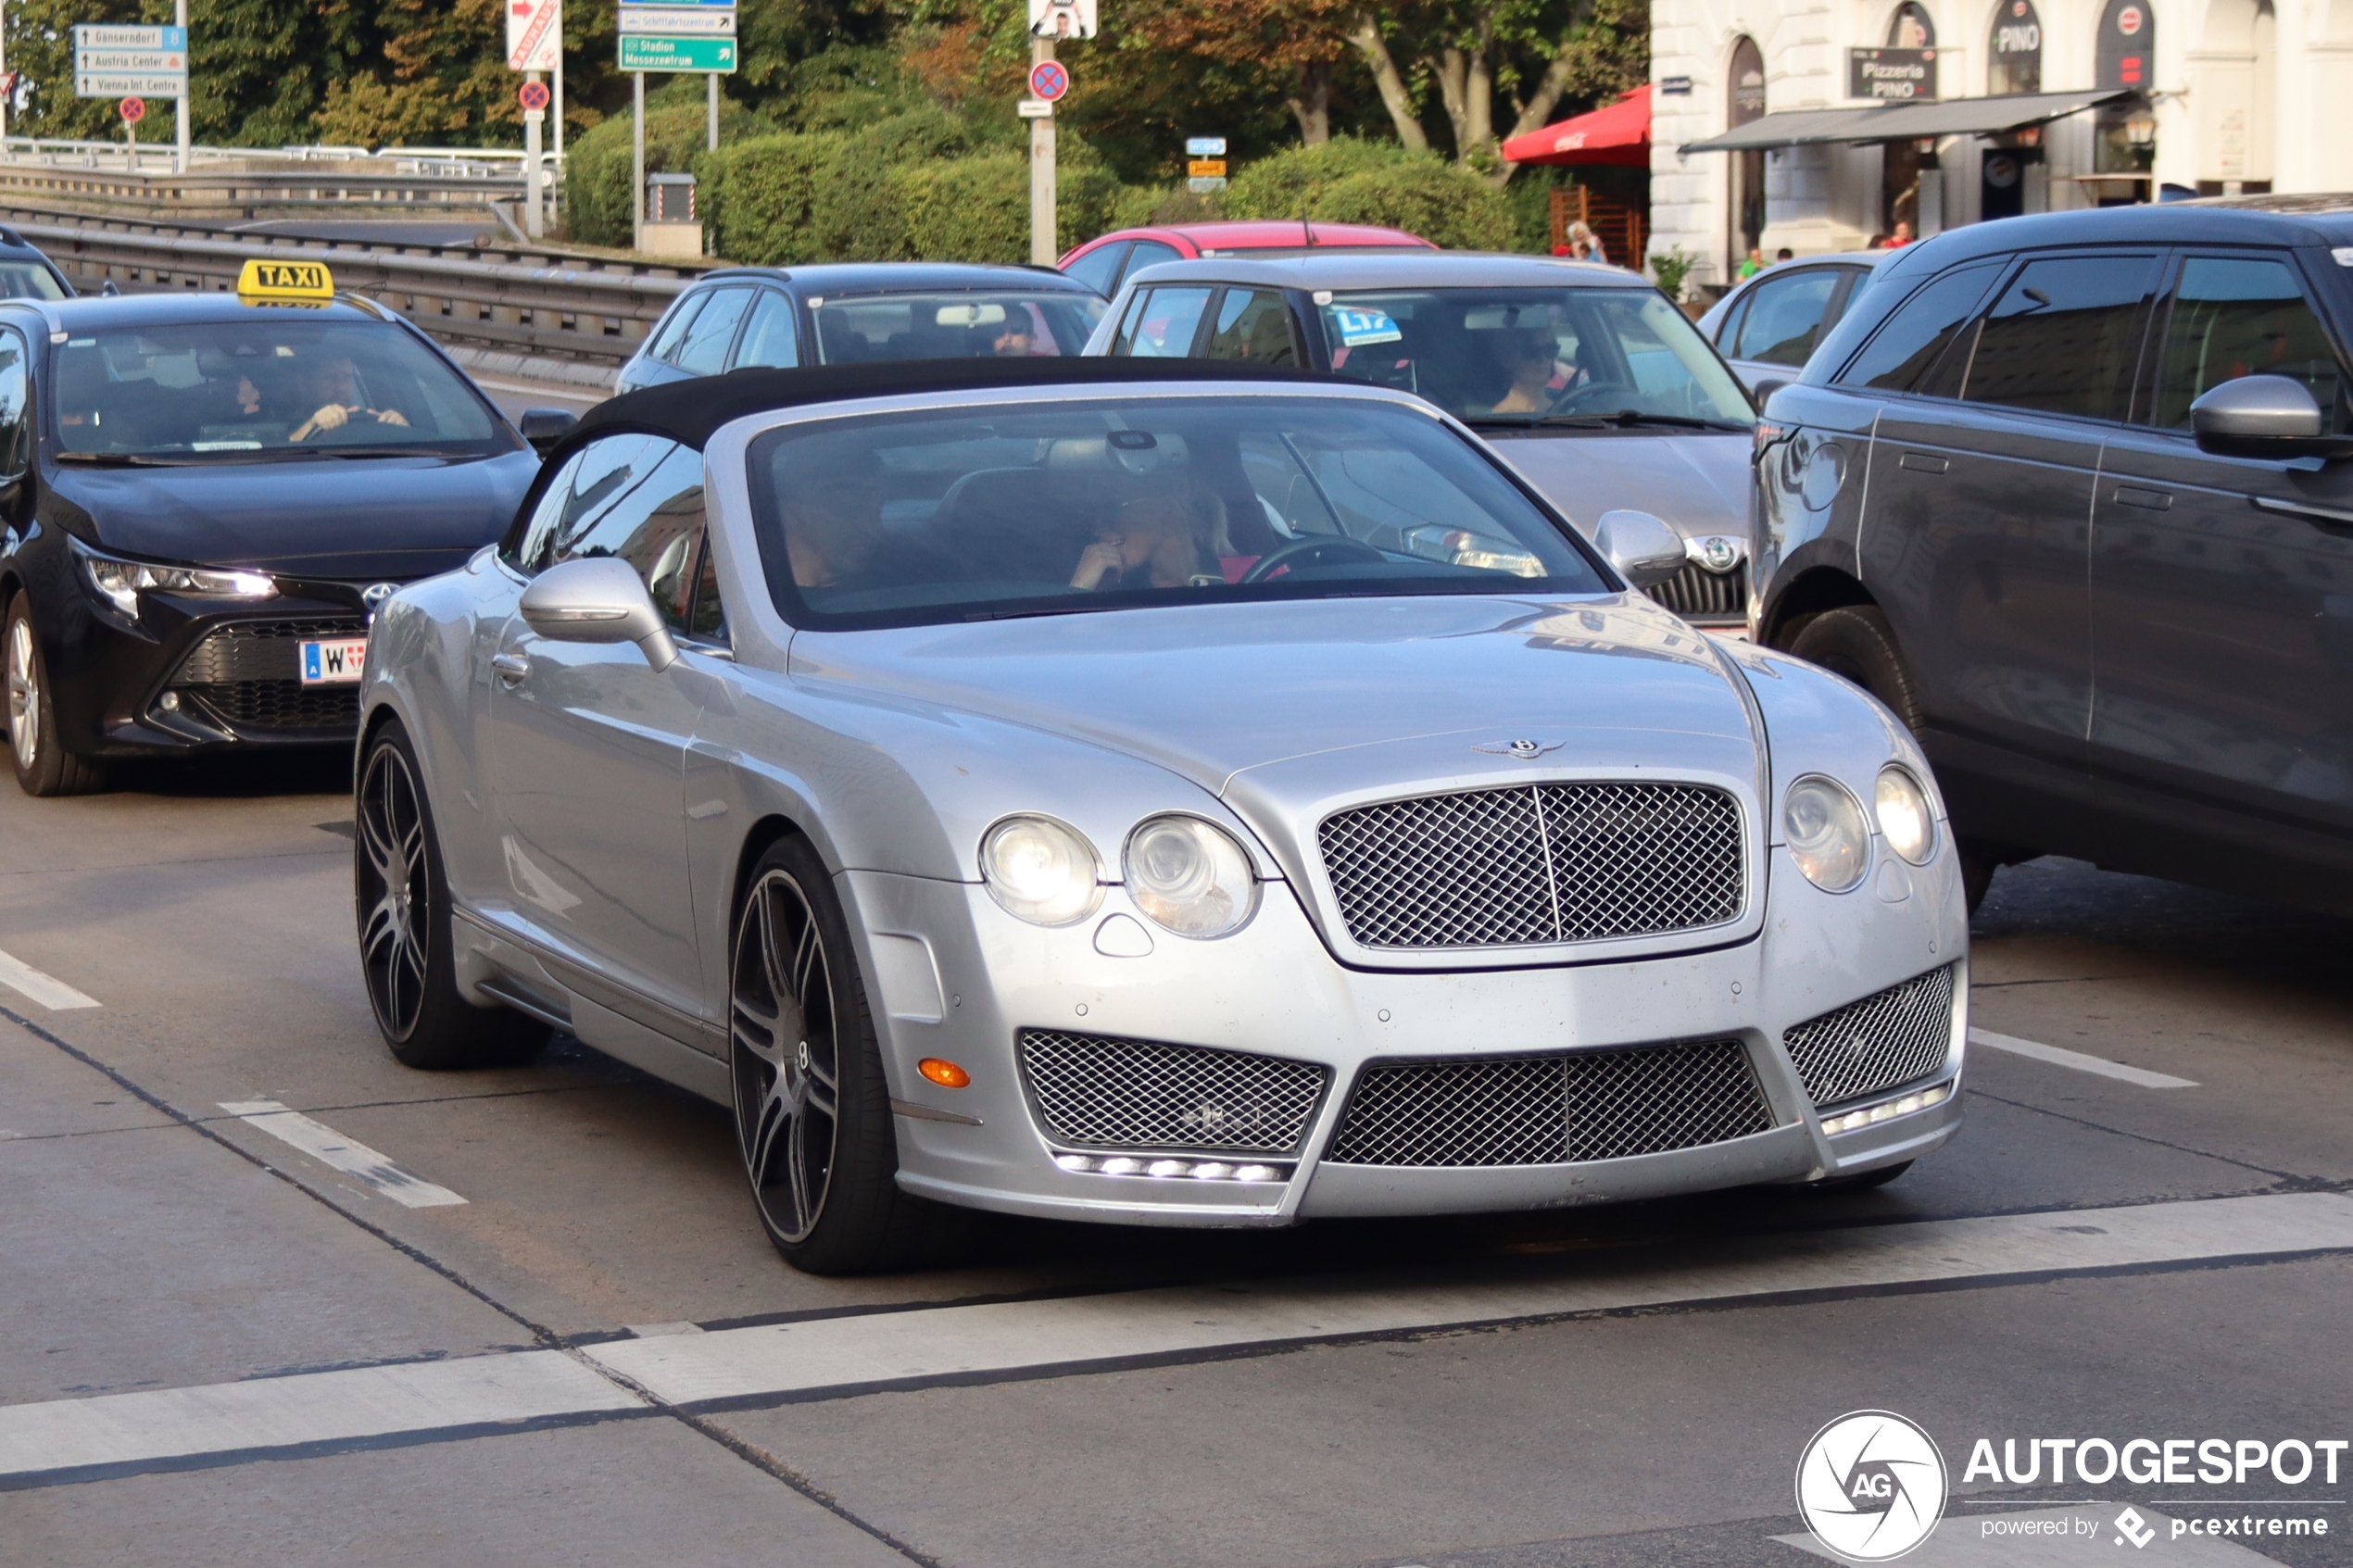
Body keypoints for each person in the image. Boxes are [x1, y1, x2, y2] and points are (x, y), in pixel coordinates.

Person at [1070, 491, 1226, 591]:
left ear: (1167, 511)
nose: (1098, 529)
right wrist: (1081, 587)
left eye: (1112, 510)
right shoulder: (1116, 593)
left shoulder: (1241, 581)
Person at [288, 355, 409, 442]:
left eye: (347, 378)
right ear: (304, 384)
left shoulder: (367, 421)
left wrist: (403, 431)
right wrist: (312, 425)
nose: (342, 387)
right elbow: (283, 461)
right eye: (331, 378)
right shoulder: (275, 427)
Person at [1480, 328, 1564, 415]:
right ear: (1507, 359)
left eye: (1549, 350)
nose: (1542, 359)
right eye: (1531, 351)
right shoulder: (1490, 422)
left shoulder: (1572, 411)